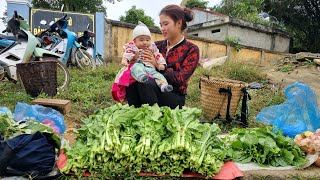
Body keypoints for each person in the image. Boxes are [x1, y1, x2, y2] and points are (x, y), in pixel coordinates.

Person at [120, 5, 199, 109]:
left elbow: (180, 79)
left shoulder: (191, 49)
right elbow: (136, 55)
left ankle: (153, 118)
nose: (162, 28)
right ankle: (135, 113)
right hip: (150, 88)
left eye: (165, 24)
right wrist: (133, 59)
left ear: (179, 23)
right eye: (161, 25)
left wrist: (157, 65)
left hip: (173, 95)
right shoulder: (156, 45)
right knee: (135, 77)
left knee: (146, 82)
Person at [121, 22, 173, 93]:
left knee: (158, 75)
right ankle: (142, 77)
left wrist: (161, 64)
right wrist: (125, 60)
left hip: (150, 67)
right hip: (138, 65)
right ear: (135, 41)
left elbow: (158, 55)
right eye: (141, 40)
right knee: (136, 68)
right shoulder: (133, 47)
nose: (145, 42)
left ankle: (163, 85)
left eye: (147, 40)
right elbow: (128, 52)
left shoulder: (152, 47)